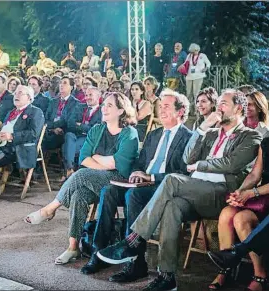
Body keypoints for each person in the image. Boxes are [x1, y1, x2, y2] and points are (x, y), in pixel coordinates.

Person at [97, 89, 262, 291]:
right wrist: (202, 128)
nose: (218, 108)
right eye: (218, 103)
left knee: (172, 180)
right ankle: (167, 277)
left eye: (224, 104)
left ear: (239, 108)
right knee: (172, 207)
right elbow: (187, 159)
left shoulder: (250, 136)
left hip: (220, 193)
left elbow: (231, 164)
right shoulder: (210, 134)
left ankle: (134, 239)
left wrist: (200, 165)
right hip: (195, 191)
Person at [81, 89, 192, 280]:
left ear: (180, 111)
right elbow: (139, 162)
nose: (161, 110)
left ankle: (136, 262)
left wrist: (151, 178)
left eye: (166, 106)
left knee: (133, 196)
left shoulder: (189, 137)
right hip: (142, 183)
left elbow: (184, 172)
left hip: (164, 186)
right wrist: (135, 173)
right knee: (108, 191)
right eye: (160, 106)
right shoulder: (154, 134)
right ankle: (99, 252)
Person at [25, 92, 139, 266]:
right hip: (95, 177)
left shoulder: (129, 133)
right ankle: (73, 247)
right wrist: (104, 162)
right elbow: (84, 158)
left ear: (121, 111)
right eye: (104, 104)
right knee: (78, 194)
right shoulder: (97, 129)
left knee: (80, 174)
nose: (104, 108)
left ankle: (50, 209)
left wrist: (98, 157)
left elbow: (119, 165)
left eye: (109, 105)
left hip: (119, 181)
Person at [208, 135, 269, 291]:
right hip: (260, 195)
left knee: (241, 219)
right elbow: (255, 174)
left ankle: (260, 276)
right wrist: (240, 191)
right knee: (227, 213)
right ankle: (226, 270)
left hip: (261, 195)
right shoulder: (266, 141)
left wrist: (251, 193)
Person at [0, 85, 44, 194]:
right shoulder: (11, 112)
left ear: (29, 98)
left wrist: (12, 136)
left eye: (20, 93)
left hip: (18, 148)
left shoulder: (35, 112)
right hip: (1, 145)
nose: (16, 95)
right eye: (15, 93)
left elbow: (33, 134)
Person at [61, 86, 102, 181]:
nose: (87, 97)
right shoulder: (80, 107)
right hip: (76, 136)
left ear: (98, 96)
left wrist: (81, 126)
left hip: (90, 139)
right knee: (69, 135)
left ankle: (69, 170)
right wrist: (86, 127)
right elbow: (70, 123)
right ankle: (71, 169)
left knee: (66, 147)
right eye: (86, 95)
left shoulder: (102, 111)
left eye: (90, 95)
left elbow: (97, 129)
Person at [43, 76, 79, 150]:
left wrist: (53, 127)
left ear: (71, 87)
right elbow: (46, 119)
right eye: (60, 83)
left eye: (65, 83)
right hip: (50, 131)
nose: (61, 85)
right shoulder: (53, 101)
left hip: (63, 132)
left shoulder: (76, 103)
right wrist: (53, 129)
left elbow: (67, 121)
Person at [181, 43, 211, 111]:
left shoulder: (202, 56)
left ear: (197, 49)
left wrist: (206, 68)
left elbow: (208, 63)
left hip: (198, 76)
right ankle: (189, 109)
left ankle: (196, 110)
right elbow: (185, 64)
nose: (193, 52)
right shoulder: (189, 55)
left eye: (194, 51)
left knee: (196, 93)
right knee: (188, 93)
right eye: (192, 51)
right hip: (189, 76)